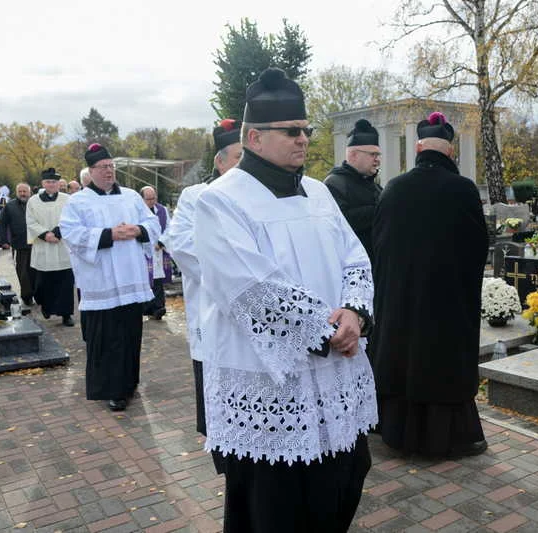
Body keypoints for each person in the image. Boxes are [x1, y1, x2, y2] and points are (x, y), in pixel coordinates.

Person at [194, 68, 377, 532]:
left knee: (343, 483)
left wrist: (355, 313)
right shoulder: (220, 201)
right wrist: (328, 331)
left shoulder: (317, 192)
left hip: (336, 368)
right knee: (274, 508)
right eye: (292, 131)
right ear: (253, 137)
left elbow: (355, 258)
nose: (304, 140)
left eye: (306, 130)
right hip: (272, 386)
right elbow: (250, 287)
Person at [371, 111, 489, 458]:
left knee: (403, 357)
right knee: (440, 363)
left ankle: (396, 432)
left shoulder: (394, 188)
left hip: (401, 301)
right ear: (450, 152)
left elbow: (378, 247)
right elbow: (477, 249)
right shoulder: (463, 189)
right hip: (446, 304)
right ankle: (446, 438)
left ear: (418, 147)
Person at [60, 144, 160, 412]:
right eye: (103, 167)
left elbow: (153, 224)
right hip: (101, 281)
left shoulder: (130, 197)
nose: (108, 171)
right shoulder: (78, 202)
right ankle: (112, 389)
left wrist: (138, 229)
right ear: (90, 171)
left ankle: (129, 383)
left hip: (130, 278)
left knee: (130, 334)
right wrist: (108, 235)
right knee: (107, 337)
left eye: (111, 166)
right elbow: (71, 234)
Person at [161, 117, 242, 437]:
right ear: (220, 163)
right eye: (238, 157)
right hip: (212, 308)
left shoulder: (262, 193)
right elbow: (179, 243)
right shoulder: (196, 195)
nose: (244, 164)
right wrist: (234, 270)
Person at [324, 118, 382, 261]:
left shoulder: (373, 184)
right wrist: (382, 208)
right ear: (353, 155)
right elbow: (341, 223)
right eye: (372, 154)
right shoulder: (334, 184)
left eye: (378, 155)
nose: (377, 160)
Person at [26, 169, 74, 326]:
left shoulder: (67, 199)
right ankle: (46, 308)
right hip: (43, 246)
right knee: (44, 282)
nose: (51, 184)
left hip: (62, 246)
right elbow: (30, 221)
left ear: (59, 184)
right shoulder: (33, 201)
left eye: (54, 182)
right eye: (48, 182)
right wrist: (45, 234)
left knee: (65, 282)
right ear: (43, 183)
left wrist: (58, 233)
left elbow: (71, 218)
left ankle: (66, 314)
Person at [0, 183, 36, 307]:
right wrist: (4, 240)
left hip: (38, 243)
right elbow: (2, 224)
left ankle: (39, 294)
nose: (22, 194)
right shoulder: (10, 206)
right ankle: (27, 296)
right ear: (16, 192)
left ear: (29, 192)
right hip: (20, 244)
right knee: (23, 272)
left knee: (38, 272)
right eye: (20, 191)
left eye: (25, 191)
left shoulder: (36, 204)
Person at [139, 186, 171, 320]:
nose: (152, 201)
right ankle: (147, 308)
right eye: (149, 199)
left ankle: (159, 307)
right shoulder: (137, 211)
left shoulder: (162, 210)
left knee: (157, 280)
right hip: (144, 251)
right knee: (146, 280)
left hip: (158, 250)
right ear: (142, 199)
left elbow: (169, 227)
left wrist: (161, 242)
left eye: (154, 198)